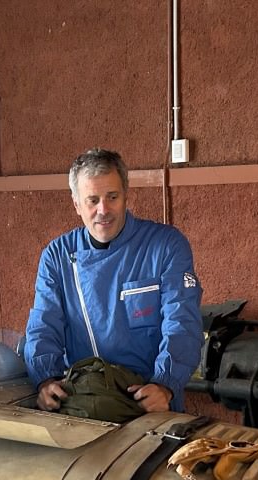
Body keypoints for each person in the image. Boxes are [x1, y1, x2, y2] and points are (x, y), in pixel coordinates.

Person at [24, 148, 203, 414]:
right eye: (92, 200)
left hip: (150, 400)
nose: (103, 210)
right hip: (84, 401)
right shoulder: (57, 255)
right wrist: (46, 379)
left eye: (112, 197)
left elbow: (182, 321)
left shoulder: (166, 245)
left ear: (126, 195)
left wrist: (165, 384)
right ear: (76, 204)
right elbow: (43, 324)